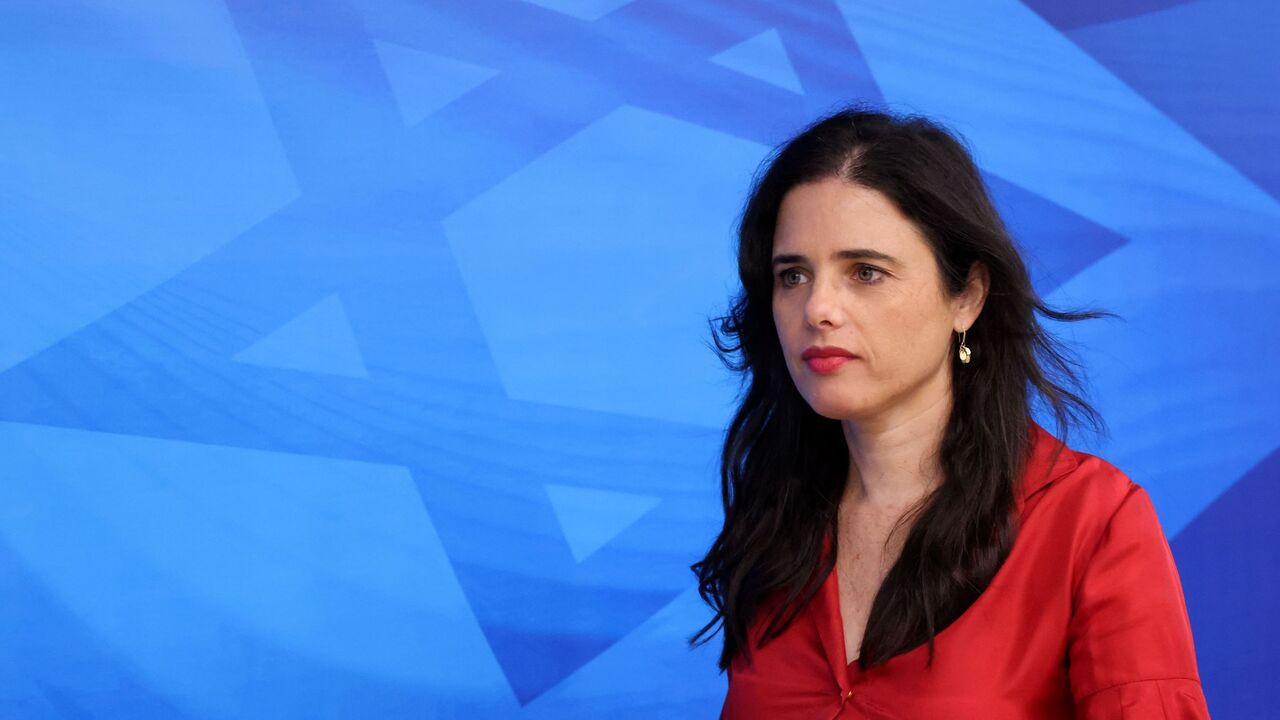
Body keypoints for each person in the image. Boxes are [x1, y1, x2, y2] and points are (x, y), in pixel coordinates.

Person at [689, 105, 1210, 719]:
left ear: (967, 297)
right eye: (794, 275)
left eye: (865, 272)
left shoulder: (1090, 523)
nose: (818, 308)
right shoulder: (776, 520)